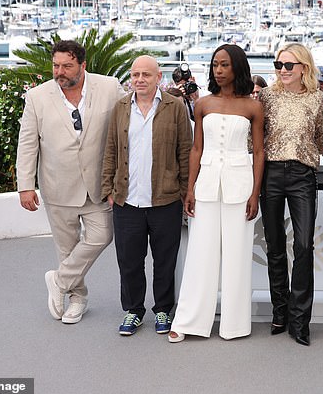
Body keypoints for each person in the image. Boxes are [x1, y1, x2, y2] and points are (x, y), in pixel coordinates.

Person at [16, 40, 125, 324]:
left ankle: (59, 280)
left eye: (67, 66)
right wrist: (25, 184)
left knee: (102, 235)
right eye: (56, 66)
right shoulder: (37, 97)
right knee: (66, 248)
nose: (60, 72)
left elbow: (130, 121)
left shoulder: (110, 87)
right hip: (57, 186)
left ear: (83, 65)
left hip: (98, 185)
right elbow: (27, 144)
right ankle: (77, 299)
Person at [168, 44, 264, 343]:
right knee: (199, 253)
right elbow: (196, 148)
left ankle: (235, 325)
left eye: (224, 65)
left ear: (237, 67)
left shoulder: (253, 106)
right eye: (214, 65)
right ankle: (188, 320)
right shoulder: (203, 104)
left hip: (240, 184)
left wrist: (255, 194)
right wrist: (190, 189)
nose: (218, 70)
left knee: (237, 256)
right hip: (207, 183)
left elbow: (259, 152)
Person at [101, 55, 192, 336]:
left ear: (158, 77)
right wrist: (108, 189)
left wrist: (186, 192)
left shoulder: (174, 107)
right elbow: (111, 149)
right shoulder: (119, 107)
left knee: (165, 259)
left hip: (165, 199)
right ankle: (133, 310)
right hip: (127, 199)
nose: (139, 79)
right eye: (135, 74)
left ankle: (163, 309)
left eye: (146, 75)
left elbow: (186, 153)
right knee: (129, 259)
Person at [259, 43, 323, 346]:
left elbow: (321, 139)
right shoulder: (266, 97)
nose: (283, 70)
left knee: (303, 246)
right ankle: (280, 311)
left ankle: (300, 320)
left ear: (304, 67)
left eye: (289, 65)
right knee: (274, 245)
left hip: (302, 176)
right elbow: (256, 138)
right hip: (271, 175)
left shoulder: (316, 99)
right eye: (279, 65)